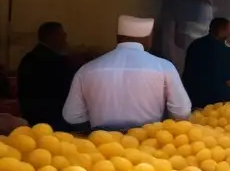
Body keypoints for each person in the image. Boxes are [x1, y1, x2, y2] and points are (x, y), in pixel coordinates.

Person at [63, 15, 191, 130]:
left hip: (103, 145)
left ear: (118, 37)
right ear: (148, 38)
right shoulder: (163, 67)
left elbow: (72, 116)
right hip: (147, 141)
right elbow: (182, 111)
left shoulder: (87, 69)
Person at [17, 22, 74, 131]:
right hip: (52, 119)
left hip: (32, 117)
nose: (65, 39)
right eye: (62, 35)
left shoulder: (28, 58)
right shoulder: (55, 61)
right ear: (52, 36)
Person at [182, 18, 230, 108]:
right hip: (216, 100)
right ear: (222, 30)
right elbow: (228, 77)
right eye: (229, 30)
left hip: (193, 96)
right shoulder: (224, 51)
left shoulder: (195, 44)